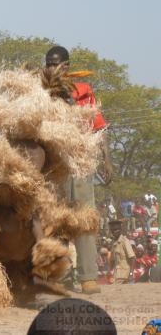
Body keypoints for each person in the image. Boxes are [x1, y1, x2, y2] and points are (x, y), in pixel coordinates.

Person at [45, 45, 113, 295]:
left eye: (57, 64)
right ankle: (61, 277)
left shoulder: (84, 91)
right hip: (55, 164)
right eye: (49, 64)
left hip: (81, 161)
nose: (53, 68)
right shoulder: (42, 92)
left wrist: (107, 160)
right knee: (57, 220)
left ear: (67, 66)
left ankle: (88, 277)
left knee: (84, 218)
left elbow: (98, 126)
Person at [109, 219, 135, 284]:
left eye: (116, 230)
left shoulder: (125, 241)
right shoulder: (114, 243)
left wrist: (131, 274)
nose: (114, 232)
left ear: (120, 230)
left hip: (125, 275)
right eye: (112, 230)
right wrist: (109, 271)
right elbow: (112, 260)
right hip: (117, 274)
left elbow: (132, 258)